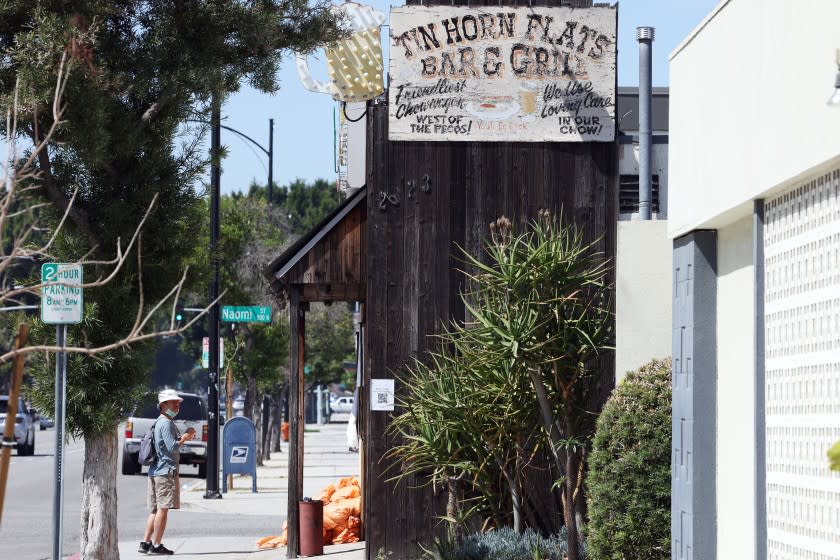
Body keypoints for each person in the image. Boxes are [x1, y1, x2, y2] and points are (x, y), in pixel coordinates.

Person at [138, 389, 196, 555]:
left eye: (178, 403)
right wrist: (186, 436)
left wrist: (183, 438)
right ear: (163, 405)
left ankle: (145, 542)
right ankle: (156, 545)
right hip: (165, 471)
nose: (177, 405)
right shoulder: (165, 423)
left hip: (156, 470)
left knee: (156, 509)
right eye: (173, 402)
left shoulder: (159, 422)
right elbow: (172, 447)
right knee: (163, 509)